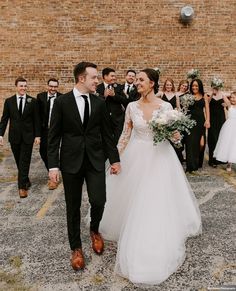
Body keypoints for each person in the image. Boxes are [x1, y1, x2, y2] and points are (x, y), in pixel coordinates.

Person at [99, 68, 201, 285]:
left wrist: (174, 134)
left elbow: (176, 140)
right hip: (135, 155)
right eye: (136, 80)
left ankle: (151, 237)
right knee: (131, 195)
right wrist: (116, 160)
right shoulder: (131, 106)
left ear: (152, 83)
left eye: (141, 80)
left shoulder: (165, 107)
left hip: (160, 158)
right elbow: (125, 135)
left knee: (155, 197)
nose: (137, 83)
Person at [47, 62, 121, 271]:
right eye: (94, 78)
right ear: (82, 78)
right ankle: (76, 248)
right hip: (70, 162)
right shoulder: (62, 102)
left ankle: (94, 230)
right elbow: (53, 137)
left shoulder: (98, 103)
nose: (97, 81)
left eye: (97, 78)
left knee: (99, 200)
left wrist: (114, 159)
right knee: (73, 206)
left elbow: (107, 135)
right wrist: (53, 166)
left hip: (95, 159)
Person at [0, 77, 41, 198]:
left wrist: (37, 135)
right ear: (16, 87)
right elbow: (4, 119)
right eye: (21, 86)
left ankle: (22, 187)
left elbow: (36, 120)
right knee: (19, 160)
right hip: (14, 137)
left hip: (28, 136)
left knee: (24, 160)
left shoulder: (32, 101)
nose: (23, 88)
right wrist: (0, 134)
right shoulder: (9, 101)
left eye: (25, 86)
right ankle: (26, 179)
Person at [37, 78, 62, 189]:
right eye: (51, 86)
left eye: (55, 86)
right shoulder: (40, 97)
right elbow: (37, 117)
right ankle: (52, 170)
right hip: (45, 130)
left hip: (57, 129)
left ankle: (53, 178)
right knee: (43, 151)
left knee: (54, 151)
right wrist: (37, 134)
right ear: (47, 86)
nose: (53, 89)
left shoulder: (62, 97)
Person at [96, 67, 128, 144]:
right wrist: (104, 96)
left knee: (118, 141)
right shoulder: (98, 88)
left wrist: (114, 95)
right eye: (112, 76)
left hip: (118, 120)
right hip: (103, 119)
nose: (114, 78)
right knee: (105, 141)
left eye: (114, 76)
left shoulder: (119, 87)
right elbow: (95, 103)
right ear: (105, 76)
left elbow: (125, 101)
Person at [185, 79, 210, 173]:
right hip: (189, 122)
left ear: (200, 86)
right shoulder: (188, 96)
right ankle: (190, 166)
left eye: (196, 86)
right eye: (193, 86)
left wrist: (208, 120)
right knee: (190, 144)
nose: (194, 87)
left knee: (201, 144)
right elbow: (185, 109)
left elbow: (207, 109)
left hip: (200, 122)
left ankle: (197, 162)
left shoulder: (204, 96)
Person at [214, 92, 236, 172]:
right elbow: (223, 95)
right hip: (229, 127)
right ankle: (229, 163)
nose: (232, 99)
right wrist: (230, 94)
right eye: (232, 98)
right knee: (229, 144)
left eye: (234, 97)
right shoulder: (230, 106)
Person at [207, 86, 226, 167]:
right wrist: (212, 93)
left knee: (220, 138)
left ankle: (219, 158)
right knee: (212, 139)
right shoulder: (208, 94)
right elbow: (207, 102)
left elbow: (230, 103)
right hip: (212, 119)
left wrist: (226, 104)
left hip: (221, 119)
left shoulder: (222, 94)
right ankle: (212, 160)